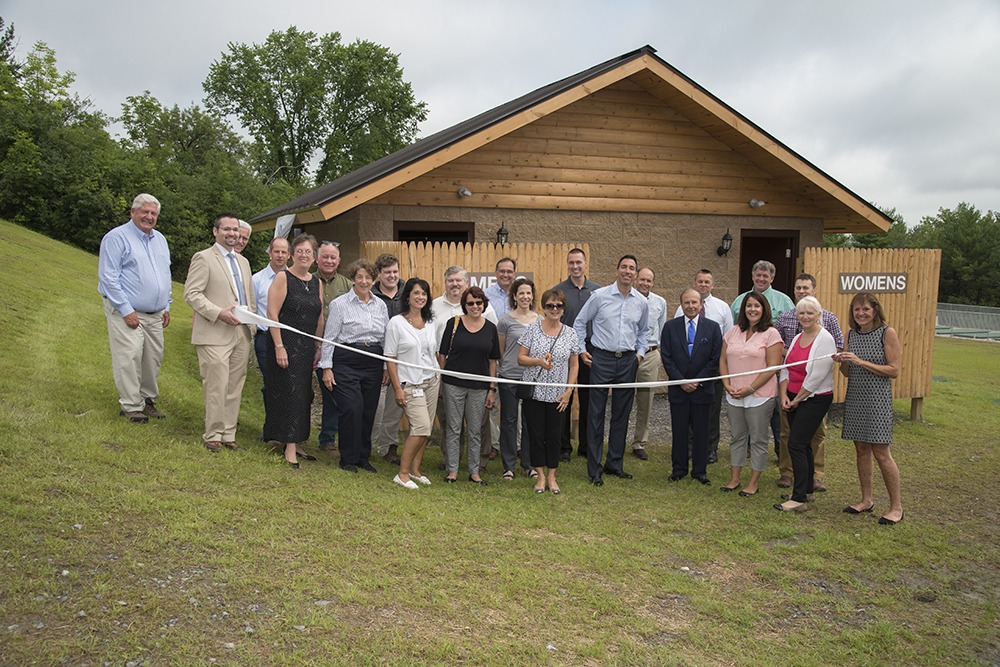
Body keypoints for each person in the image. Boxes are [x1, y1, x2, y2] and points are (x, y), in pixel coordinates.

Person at [183, 213, 256, 453]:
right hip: (214, 331)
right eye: (227, 229)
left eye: (235, 230)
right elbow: (192, 294)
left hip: (241, 333)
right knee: (217, 384)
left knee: (235, 385)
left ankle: (228, 434)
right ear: (216, 232)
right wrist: (218, 313)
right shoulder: (204, 258)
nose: (232, 234)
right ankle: (212, 434)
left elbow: (248, 297)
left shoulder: (243, 262)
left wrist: (252, 325)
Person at [573, 255, 649, 486]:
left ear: (635, 274)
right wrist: (581, 349)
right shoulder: (600, 296)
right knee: (595, 415)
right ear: (617, 271)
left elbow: (644, 332)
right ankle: (594, 469)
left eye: (632, 268)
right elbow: (579, 322)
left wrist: (639, 354)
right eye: (624, 267)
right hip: (601, 359)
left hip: (627, 361)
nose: (628, 271)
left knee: (621, 414)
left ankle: (614, 464)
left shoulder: (641, 302)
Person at [97, 193, 172, 423]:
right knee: (129, 355)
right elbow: (109, 278)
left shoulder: (160, 239)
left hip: (155, 313)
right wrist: (125, 309)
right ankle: (131, 405)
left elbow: (165, 273)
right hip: (126, 310)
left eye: (153, 213)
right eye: (144, 212)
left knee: (152, 359)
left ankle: (147, 400)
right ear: (133, 212)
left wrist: (167, 304)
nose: (149, 217)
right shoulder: (117, 237)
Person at [836, 292, 904, 525]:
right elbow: (847, 372)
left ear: (875, 310)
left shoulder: (887, 332)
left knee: (881, 453)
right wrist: (843, 360)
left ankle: (896, 507)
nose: (861, 313)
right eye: (857, 309)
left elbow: (894, 370)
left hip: (877, 399)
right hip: (856, 397)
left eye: (865, 309)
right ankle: (866, 500)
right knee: (861, 449)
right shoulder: (851, 334)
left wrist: (860, 361)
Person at [774, 274, 844, 491]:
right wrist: (785, 395)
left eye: (806, 287)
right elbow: (784, 361)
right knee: (791, 437)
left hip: (812, 397)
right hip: (792, 394)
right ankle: (791, 475)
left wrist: (797, 400)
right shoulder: (793, 331)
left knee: (810, 437)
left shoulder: (826, 331)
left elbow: (817, 375)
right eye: (798, 288)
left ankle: (811, 480)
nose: (805, 316)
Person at [320, 260, 390, 474]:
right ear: (353, 279)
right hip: (346, 360)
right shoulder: (340, 304)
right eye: (359, 277)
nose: (364, 281)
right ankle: (347, 458)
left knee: (368, 410)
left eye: (368, 277)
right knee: (351, 408)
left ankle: (362, 457)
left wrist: (387, 366)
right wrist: (327, 367)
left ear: (374, 279)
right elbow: (329, 338)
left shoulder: (380, 305)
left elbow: (386, 337)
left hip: (373, 361)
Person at [262, 234, 324, 468]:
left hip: (307, 347)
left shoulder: (316, 282)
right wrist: (279, 346)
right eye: (299, 251)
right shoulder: (282, 277)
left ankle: (296, 440)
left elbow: (319, 316)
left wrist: (318, 345)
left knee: (303, 394)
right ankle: (288, 445)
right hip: (285, 343)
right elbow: (272, 314)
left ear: (314, 257)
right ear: (291, 254)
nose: (304, 256)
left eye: (308, 252)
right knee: (290, 393)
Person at [431, 266, 498, 463]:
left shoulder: (489, 312)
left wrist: (491, 386)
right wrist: (442, 377)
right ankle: (451, 461)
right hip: (448, 377)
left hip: (479, 379)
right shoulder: (434, 306)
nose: (455, 284)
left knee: (479, 425)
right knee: (449, 423)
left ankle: (480, 462)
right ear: (445, 282)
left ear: (466, 283)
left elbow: (492, 348)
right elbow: (439, 348)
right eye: (451, 280)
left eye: (459, 280)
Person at [730, 260, 795, 460]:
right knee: (746, 415)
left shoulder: (784, 301)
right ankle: (747, 449)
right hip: (747, 369)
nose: (761, 278)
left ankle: (780, 452)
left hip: (775, 368)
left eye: (765, 276)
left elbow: (791, 334)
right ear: (752, 276)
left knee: (776, 415)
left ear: (772, 278)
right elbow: (735, 335)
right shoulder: (739, 301)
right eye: (758, 275)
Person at [719, 292, 782, 496]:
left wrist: (750, 389)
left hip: (760, 395)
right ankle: (734, 478)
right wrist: (727, 385)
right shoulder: (733, 332)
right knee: (737, 437)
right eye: (749, 306)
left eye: (757, 306)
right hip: (734, 394)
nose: (752, 309)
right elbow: (723, 361)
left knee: (758, 439)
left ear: (764, 309)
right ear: (743, 309)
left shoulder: (772, 334)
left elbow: (772, 367)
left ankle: (754, 482)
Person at [518, 289, 580, 494]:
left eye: (558, 305)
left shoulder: (571, 333)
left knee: (554, 436)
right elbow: (521, 358)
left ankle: (552, 476)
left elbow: (574, 365)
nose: (554, 309)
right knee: (536, 435)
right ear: (543, 308)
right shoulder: (532, 329)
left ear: (563, 309)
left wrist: (569, 391)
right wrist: (537, 362)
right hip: (534, 393)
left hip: (558, 395)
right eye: (550, 306)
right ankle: (540, 476)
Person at [661, 289, 723, 485]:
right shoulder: (670, 327)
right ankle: (678, 469)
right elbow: (667, 358)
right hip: (679, 389)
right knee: (679, 431)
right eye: (687, 302)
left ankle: (699, 471)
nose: (691, 306)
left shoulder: (712, 328)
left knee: (702, 431)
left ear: (701, 305)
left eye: (694, 302)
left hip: (702, 389)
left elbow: (714, 360)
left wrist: (697, 381)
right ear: (681, 305)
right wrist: (682, 381)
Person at [385, 278, 440, 490]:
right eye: (416, 293)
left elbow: (432, 352)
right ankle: (402, 473)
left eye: (424, 294)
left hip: (432, 380)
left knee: (424, 430)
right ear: (407, 296)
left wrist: (438, 376)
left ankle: (416, 470)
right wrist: (398, 388)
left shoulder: (431, 322)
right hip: (410, 383)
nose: (420, 297)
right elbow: (389, 357)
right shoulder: (396, 323)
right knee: (421, 427)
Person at [675, 269, 734, 463]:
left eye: (707, 282)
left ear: (713, 284)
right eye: (700, 281)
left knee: (712, 411)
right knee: (689, 413)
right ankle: (690, 447)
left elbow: (726, 339)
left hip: (711, 370)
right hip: (686, 371)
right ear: (694, 282)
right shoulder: (682, 307)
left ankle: (710, 449)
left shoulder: (722, 307)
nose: (703, 285)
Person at [552, 248, 600, 461]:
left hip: (590, 352)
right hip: (565, 351)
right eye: (571, 263)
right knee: (565, 399)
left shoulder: (598, 291)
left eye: (579, 262)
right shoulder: (559, 291)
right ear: (567, 264)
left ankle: (586, 445)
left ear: (585, 263)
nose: (575, 266)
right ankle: (563, 447)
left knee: (590, 400)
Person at [497, 277, 541, 479]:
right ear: (514, 296)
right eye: (521, 293)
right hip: (509, 377)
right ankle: (508, 465)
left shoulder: (540, 320)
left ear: (532, 296)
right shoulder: (505, 321)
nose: (525, 296)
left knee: (530, 420)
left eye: (528, 293)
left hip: (531, 377)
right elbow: (501, 350)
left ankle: (529, 464)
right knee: (509, 420)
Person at [315, 240, 352, 451]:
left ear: (338, 261)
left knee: (332, 394)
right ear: (317, 259)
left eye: (333, 257)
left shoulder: (347, 286)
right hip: (309, 344)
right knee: (302, 393)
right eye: (325, 257)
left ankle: (327, 440)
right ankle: (294, 435)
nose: (329, 261)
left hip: (335, 348)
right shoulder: (308, 281)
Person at [631, 267, 668, 460]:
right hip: (628, 355)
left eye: (649, 281)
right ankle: (617, 439)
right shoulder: (626, 298)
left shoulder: (660, 302)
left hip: (650, 354)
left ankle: (639, 442)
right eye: (642, 279)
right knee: (623, 399)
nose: (645, 283)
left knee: (646, 402)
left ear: (653, 283)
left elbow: (662, 331)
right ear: (636, 279)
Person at [372, 253, 405, 464]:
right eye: (387, 273)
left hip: (402, 359)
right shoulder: (372, 294)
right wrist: (384, 364)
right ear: (379, 274)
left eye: (395, 272)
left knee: (394, 408)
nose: (392, 276)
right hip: (376, 356)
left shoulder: (407, 293)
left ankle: (388, 447)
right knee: (375, 407)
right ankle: (367, 443)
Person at [251, 237, 290, 396]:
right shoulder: (257, 280)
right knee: (272, 383)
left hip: (290, 337)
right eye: (276, 252)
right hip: (265, 338)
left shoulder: (295, 279)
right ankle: (272, 420)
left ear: (289, 255)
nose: (280, 255)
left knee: (290, 384)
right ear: (270, 253)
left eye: (284, 252)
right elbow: (251, 310)